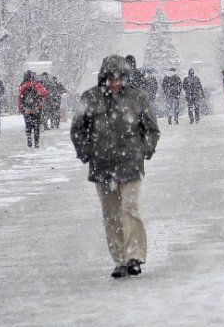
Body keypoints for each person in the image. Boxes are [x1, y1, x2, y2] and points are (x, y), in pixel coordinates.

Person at [70, 55, 160, 279]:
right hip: (102, 167)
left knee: (130, 209)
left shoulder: (137, 98)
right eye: (110, 79)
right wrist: (86, 153)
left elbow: (151, 129)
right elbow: (77, 130)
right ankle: (119, 259)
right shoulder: (90, 98)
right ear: (103, 78)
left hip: (130, 164)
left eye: (119, 78)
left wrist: (144, 150)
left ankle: (134, 256)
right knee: (111, 215)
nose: (115, 83)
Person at [18, 70, 48, 148]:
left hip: (26, 108)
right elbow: (44, 93)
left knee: (28, 124)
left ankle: (29, 138)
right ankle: (36, 142)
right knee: (36, 125)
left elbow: (20, 97)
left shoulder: (22, 85)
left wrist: (21, 108)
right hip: (37, 107)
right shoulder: (37, 84)